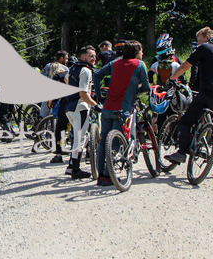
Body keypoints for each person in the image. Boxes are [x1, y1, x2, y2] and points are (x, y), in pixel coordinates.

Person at [164, 27, 213, 177]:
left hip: (208, 93)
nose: (198, 44)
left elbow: (186, 65)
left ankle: (182, 152)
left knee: (185, 121)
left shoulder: (205, 48)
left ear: (207, 37)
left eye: (199, 40)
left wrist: (171, 79)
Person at [93, 40, 151, 186]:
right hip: (123, 109)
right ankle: (108, 176)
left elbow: (97, 75)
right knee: (116, 143)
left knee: (104, 141)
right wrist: (133, 91)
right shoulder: (139, 64)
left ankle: (101, 175)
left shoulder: (115, 63)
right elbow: (146, 87)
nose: (142, 54)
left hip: (107, 107)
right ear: (137, 52)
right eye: (141, 51)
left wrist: (99, 95)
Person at [62, 46, 99, 180]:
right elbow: (83, 94)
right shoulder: (86, 71)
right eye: (91, 56)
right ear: (83, 57)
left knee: (76, 138)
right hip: (80, 107)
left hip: (69, 108)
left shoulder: (72, 68)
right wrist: (95, 105)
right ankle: (76, 170)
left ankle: (71, 166)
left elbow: (66, 80)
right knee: (80, 139)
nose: (94, 58)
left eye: (94, 55)